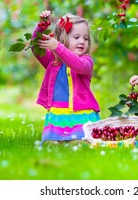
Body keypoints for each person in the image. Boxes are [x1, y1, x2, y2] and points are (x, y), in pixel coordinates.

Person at [32, 10, 100, 142]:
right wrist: (41, 25)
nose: (82, 42)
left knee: (81, 142)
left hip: (82, 114)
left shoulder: (87, 61)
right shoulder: (53, 61)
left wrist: (58, 47)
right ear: (63, 38)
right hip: (58, 113)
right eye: (76, 37)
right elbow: (36, 46)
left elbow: (78, 65)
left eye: (85, 38)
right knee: (50, 143)